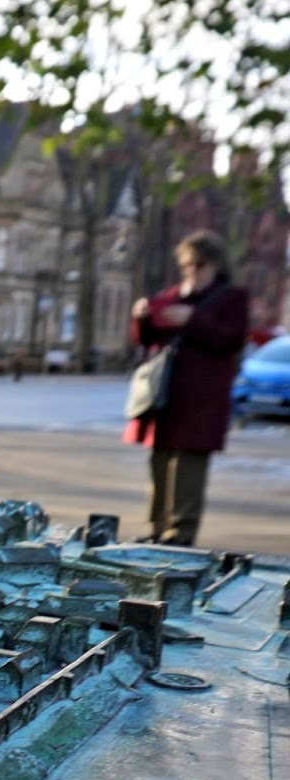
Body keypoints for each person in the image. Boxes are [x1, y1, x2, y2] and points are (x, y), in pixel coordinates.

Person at [126, 229, 249, 546]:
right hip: (165, 396)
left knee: (188, 467)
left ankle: (180, 534)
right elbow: (148, 340)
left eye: (199, 265)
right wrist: (142, 318)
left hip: (201, 401)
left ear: (216, 265)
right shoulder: (172, 296)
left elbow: (231, 340)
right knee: (160, 462)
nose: (192, 271)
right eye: (186, 265)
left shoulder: (231, 298)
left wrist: (193, 319)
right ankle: (157, 529)